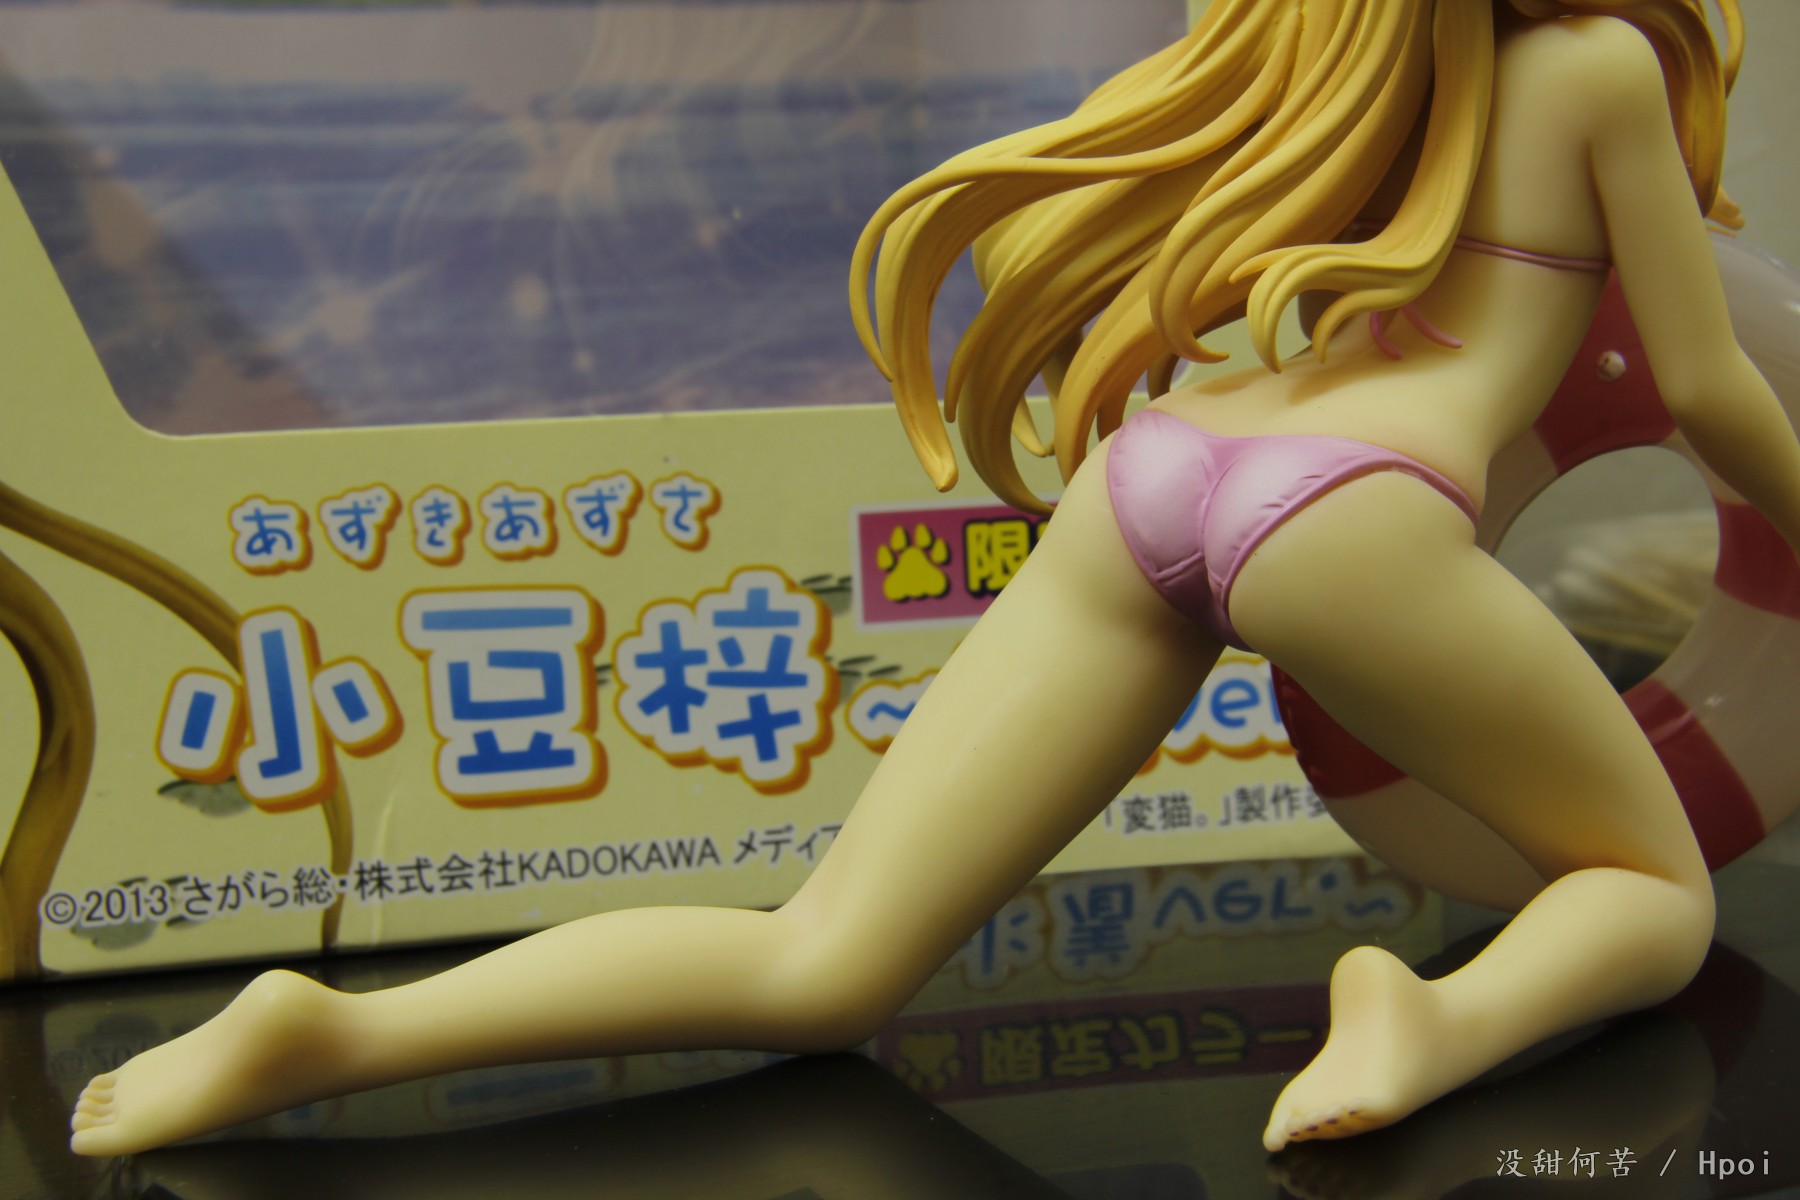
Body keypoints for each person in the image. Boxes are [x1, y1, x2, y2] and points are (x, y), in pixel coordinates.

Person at [73, 0, 1799, 1157]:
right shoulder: (1598, 66)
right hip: (1351, 518)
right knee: (1651, 895)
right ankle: (1424, 1020)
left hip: (1163, 474)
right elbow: (1713, 386)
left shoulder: (1337, 42)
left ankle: (338, 1037)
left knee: (821, 961)